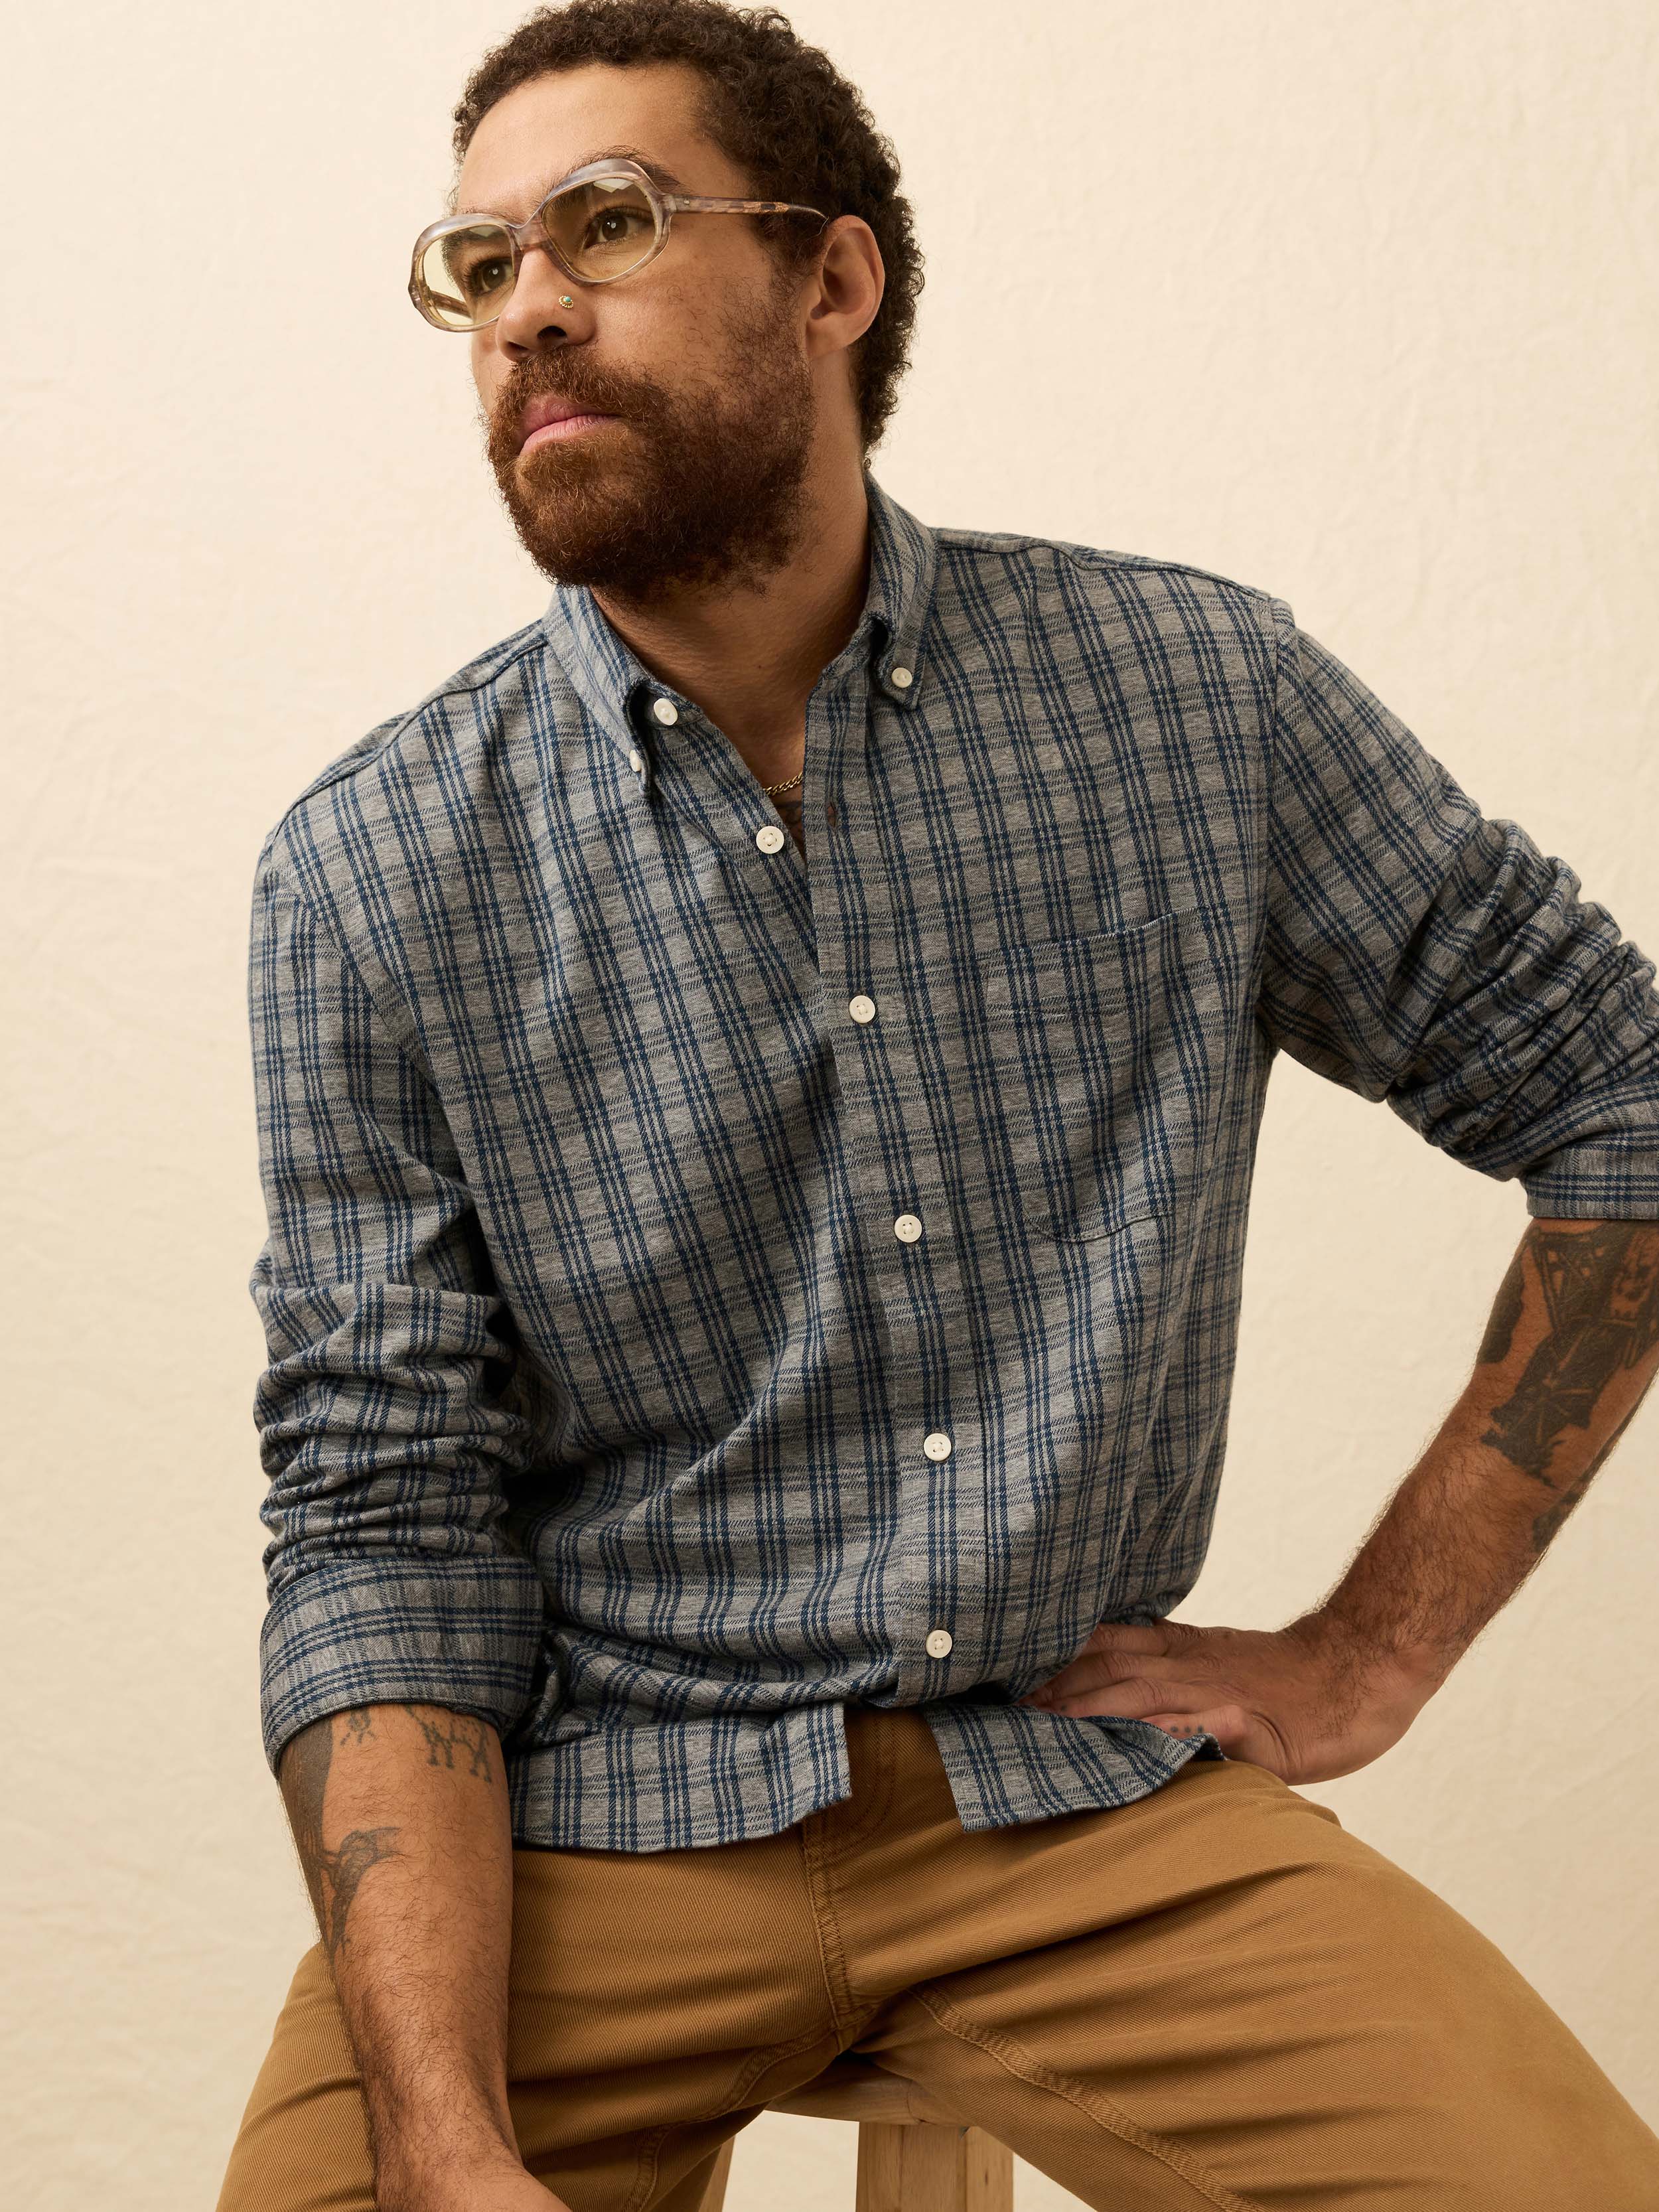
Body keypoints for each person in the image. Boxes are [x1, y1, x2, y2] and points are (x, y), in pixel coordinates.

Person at [214, 4, 1659, 2208]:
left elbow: (1621, 1089)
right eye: (478, 263)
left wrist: (1374, 1645)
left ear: (832, 278)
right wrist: (438, 2120)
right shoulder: (377, 867)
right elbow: (380, 1514)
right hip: (593, 1832)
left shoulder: (1189, 703)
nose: (528, 310)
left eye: (605, 221)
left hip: (1078, 1808)